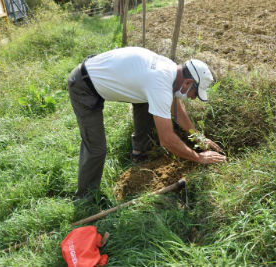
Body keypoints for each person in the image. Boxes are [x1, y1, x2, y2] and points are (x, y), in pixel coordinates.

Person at [67, 47, 226, 198]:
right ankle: (85, 197)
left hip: (100, 73)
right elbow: (167, 139)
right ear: (188, 82)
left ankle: (140, 153)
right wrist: (199, 158)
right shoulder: (159, 82)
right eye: (195, 93)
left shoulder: (171, 71)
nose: (193, 98)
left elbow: (175, 108)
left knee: (148, 102)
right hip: (84, 85)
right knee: (96, 148)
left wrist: (198, 137)